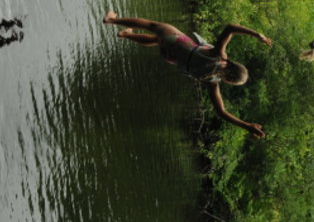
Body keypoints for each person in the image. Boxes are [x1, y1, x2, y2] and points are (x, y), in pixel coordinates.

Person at [103, 11, 272, 138]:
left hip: (176, 42)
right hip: (170, 57)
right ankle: (127, 35)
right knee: (156, 40)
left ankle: (112, 20)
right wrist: (246, 126)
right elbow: (221, 111)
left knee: (152, 26)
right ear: (228, 80)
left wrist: (257, 35)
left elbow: (230, 28)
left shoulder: (219, 56)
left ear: (235, 65)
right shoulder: (212, 81)